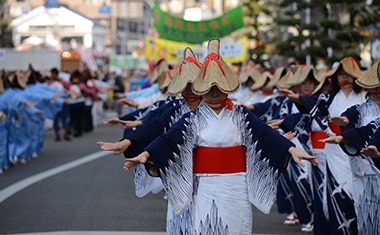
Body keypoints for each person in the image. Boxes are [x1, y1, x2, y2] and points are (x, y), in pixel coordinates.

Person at [123, 38, 318, 235]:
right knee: (205, 227)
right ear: (202, 91)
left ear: (227, 89)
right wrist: (146, 155)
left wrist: (292, 150)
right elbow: (168, 140)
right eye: (209, 89)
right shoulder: (193, 118)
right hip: (204, 184)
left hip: (235, 184)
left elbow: (265, 134)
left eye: (218, 89)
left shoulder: (240, 115)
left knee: (236, 227)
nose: (214, 94)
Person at [280, 56, 367, 234]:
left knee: (359, 195)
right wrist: (297, 99)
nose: (344, 78)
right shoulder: (330, 98)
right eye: (340, 74)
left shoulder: (365, 96)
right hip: (334, 152)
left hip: (360, 150)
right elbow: (312, 104)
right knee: (337, 194)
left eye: (348, 74)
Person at [320, 60, 380, 235]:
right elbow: (351, 114)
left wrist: (346, 136)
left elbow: (372, 128)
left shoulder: (362, 100)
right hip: (360, 167)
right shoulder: (362, 107)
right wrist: (345, 122)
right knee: (363, 214)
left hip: (376, 167)